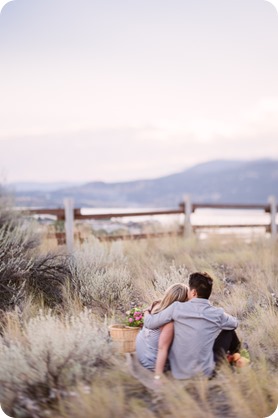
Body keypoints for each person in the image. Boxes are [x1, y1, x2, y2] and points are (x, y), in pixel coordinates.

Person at [144, 272, 240, 380]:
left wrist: (147, 312)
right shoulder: (217, 314)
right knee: (229, 332)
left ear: (193, 292)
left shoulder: (177, 308)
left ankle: (234, 357)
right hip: (205, 374)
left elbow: (149, 323)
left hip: (178, 373)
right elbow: (235, 323)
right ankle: (236, 356)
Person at [136, 283, 188, 376]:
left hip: (141, 353)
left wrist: (146, 312)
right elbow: (162, 348)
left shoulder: (156, 304)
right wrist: (158, 376)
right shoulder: (170, 322)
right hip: (152, 363)